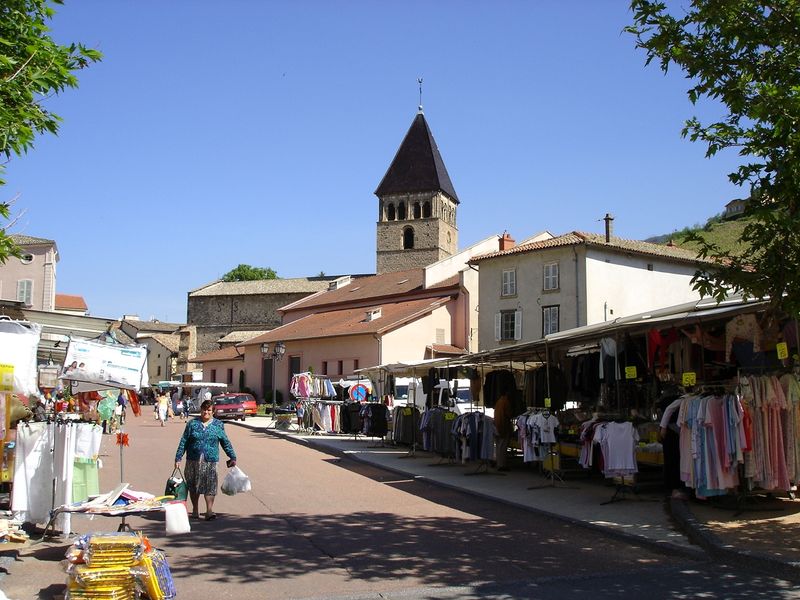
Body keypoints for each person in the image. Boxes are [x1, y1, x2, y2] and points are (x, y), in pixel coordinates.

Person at [174, 399, 237, 520]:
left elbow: (225, 442)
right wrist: (178, 458)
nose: (206, 412)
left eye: (209, 410)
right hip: (193, 460)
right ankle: (195, 509)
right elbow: (184, 441)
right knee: (193, 485)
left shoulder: (218, 425)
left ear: (213, 411)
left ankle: (209, 511)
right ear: (201, 410)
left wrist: (232, 456)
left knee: (211, 486)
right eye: (204, 410)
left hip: (211, 461)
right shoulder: (192, 424)